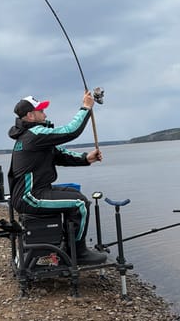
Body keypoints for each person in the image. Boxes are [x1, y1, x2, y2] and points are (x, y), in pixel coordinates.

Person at [8, 92, 107, 265]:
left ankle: (68, 246)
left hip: (32, 193)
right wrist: (86, 107)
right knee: (80, 203)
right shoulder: (35, 134)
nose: (45, 114)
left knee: (73, 193)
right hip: (30, 197)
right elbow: (71, 131)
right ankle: (79, 253)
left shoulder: (32, 136)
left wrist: (86, 158)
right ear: (30, 116)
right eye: (41, 111)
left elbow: (59, 155)